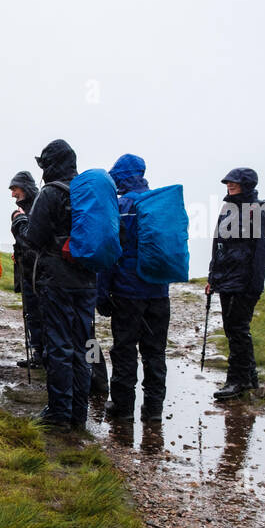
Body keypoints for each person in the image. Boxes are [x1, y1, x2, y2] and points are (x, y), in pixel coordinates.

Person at [25, 139, 95, 429]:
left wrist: (19, 224)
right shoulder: (88, 191)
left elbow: (33, 238)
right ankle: (79, 413)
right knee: (83, 346)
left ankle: (58, 414)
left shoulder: (50, 193)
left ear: (50, 164)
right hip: (88, 280)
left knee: (59, 346)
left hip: (57, 281)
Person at [96, 154, 170, 423]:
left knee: (125, 349)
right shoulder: (159, 204)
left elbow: (109, 253)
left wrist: (102, 294)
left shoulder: (121, 206)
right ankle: (153, 411)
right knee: (155, 352)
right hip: (159, 292)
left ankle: (123, 408)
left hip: (128, 293)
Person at [206, 167, 265, 400]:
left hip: (244, 283)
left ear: (247, 184)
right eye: (227, 182)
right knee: (235, 329)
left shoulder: (258, 211)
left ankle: (235, 381)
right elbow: (218, 246)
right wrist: (211, 278)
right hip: (226, 281)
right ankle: (249, 377)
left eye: (234, 182)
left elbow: (262, 252)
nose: (229, 185)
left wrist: (254, 286)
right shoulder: (228, 209)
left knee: (237, 330)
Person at [9, 170, 44, 368]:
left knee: (41, 313)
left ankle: (44, 354)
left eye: (15, 188)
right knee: (31, 313)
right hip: (28, 272)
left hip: (39, 274)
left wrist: (19, 221)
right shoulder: (24, 209)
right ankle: (38, 353)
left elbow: (32, 241)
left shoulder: (39, 205)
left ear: (26, 187)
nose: (13, 194)